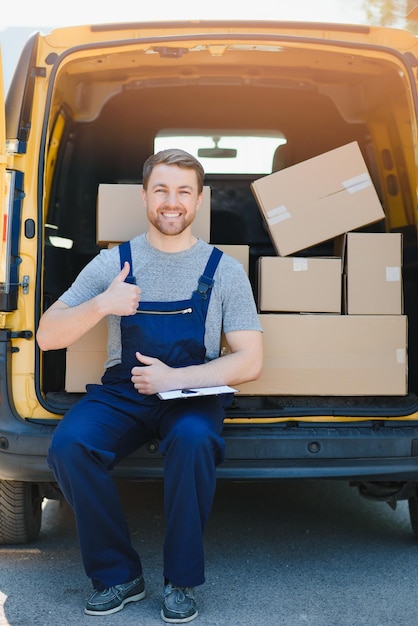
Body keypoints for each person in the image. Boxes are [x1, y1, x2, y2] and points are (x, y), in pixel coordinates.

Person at [37, 148, 263, 623]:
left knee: (194, 439)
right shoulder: (113, 263)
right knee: (71, 445)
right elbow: (46, 334)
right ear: (144, 197)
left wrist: (175, 379)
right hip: (126, 389)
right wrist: (103, 304)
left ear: (199, 201)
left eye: (183, 191)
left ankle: (180, 580)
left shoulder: (223, 270)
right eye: (160, 189)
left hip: (191, 392)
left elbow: (250, 360)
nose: (171, 201)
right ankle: (118, 574)